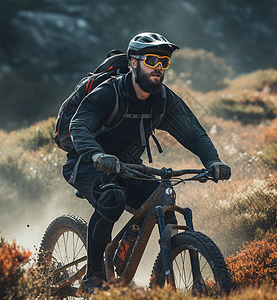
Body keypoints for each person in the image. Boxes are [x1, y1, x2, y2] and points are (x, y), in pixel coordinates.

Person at [62, 32, 231, 293]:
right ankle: (94, 277)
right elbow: (79, 126)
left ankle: (127, 257)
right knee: (112, 199)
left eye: (164, 62)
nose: (159, 67)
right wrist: (97, 155)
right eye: (152, 59)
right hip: (87, 162)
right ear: (133, 62)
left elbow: (194, 134)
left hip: (129, 166)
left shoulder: (162, 99)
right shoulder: (110, 93)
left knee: (161, 200)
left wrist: (213, 160)